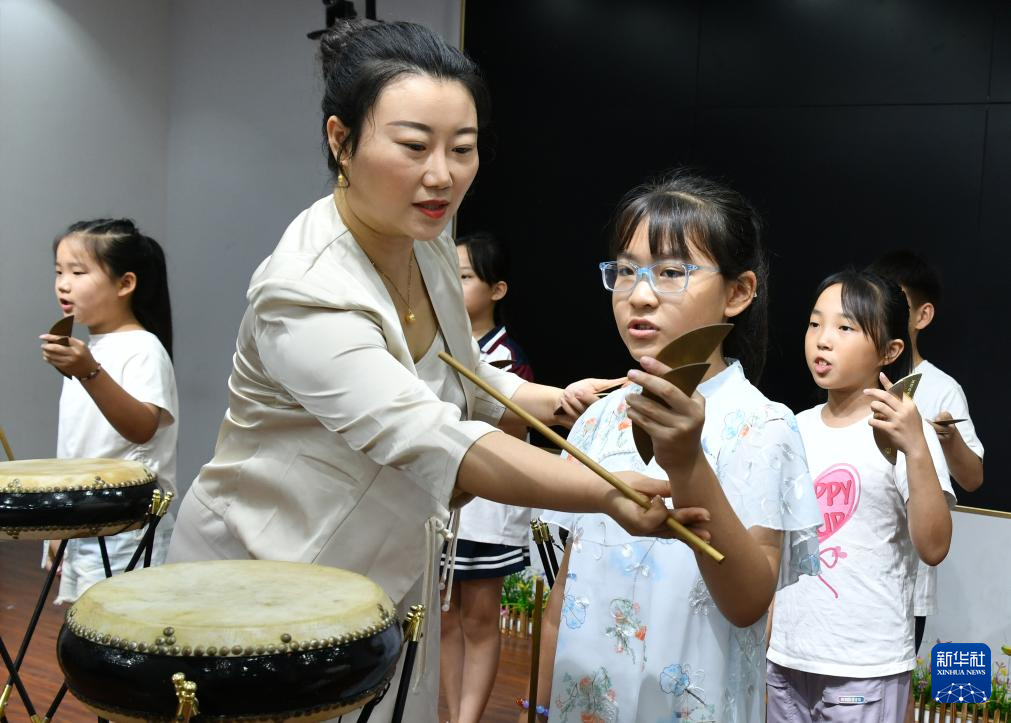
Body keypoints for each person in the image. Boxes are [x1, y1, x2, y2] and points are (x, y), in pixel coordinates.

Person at [165, 21, 704, 722]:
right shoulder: (304, 291)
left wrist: (547, 399)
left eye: (463, 148)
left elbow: (458, 365)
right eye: (414, 146)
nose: (442, 175)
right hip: (268, 568)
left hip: (383, 566)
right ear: (341, 140)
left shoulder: (424, 238)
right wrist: (605, 491)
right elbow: (429, 434)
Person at [534, 171, 823, 723]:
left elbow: (748, 603)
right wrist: (541, 705)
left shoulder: (765, 426)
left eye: (671, 273)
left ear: (737, 293)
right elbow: (565, 592)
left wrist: (688, 462)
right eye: (625, 271)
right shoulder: (599, 419)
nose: (639, 295)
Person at [767, 269, 955, 723]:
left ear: (890, 351)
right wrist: (768, 637)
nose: (823, 340)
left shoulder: (905, 432)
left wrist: (916, 446)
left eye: (845, 327)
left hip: (865, 665)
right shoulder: (793, 427)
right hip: (785, 658)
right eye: (815, 323)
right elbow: (777, 544)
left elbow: (934, 546)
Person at [868, 250, 984, 722]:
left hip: (904, 584)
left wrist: (948, 438)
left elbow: (972, 478)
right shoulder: (851, 380)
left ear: (922, 315)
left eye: (894, 302)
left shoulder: (940, 388)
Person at [40, 218, 178, 603]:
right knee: (85, 624)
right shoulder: (91, 348)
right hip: (83, 516)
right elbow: (76, 448)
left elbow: (142, 427)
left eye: (78, 272)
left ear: (125, 283)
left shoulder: (142, 348)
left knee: (118, 624)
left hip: (125, 525)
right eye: (59, 271)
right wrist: (57, 525)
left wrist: (89, 372)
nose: (63, 284)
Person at [440, 232, 535, 723]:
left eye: (464, 276)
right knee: (445, 618)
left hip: (485, 509)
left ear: (497, 290)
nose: (452, 286)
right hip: (443, 502)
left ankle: (468, 719)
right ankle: (451, 714)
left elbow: (514, 431)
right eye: (447, 275)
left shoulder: (507, 357)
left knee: (479, 619)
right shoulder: (440, 348)